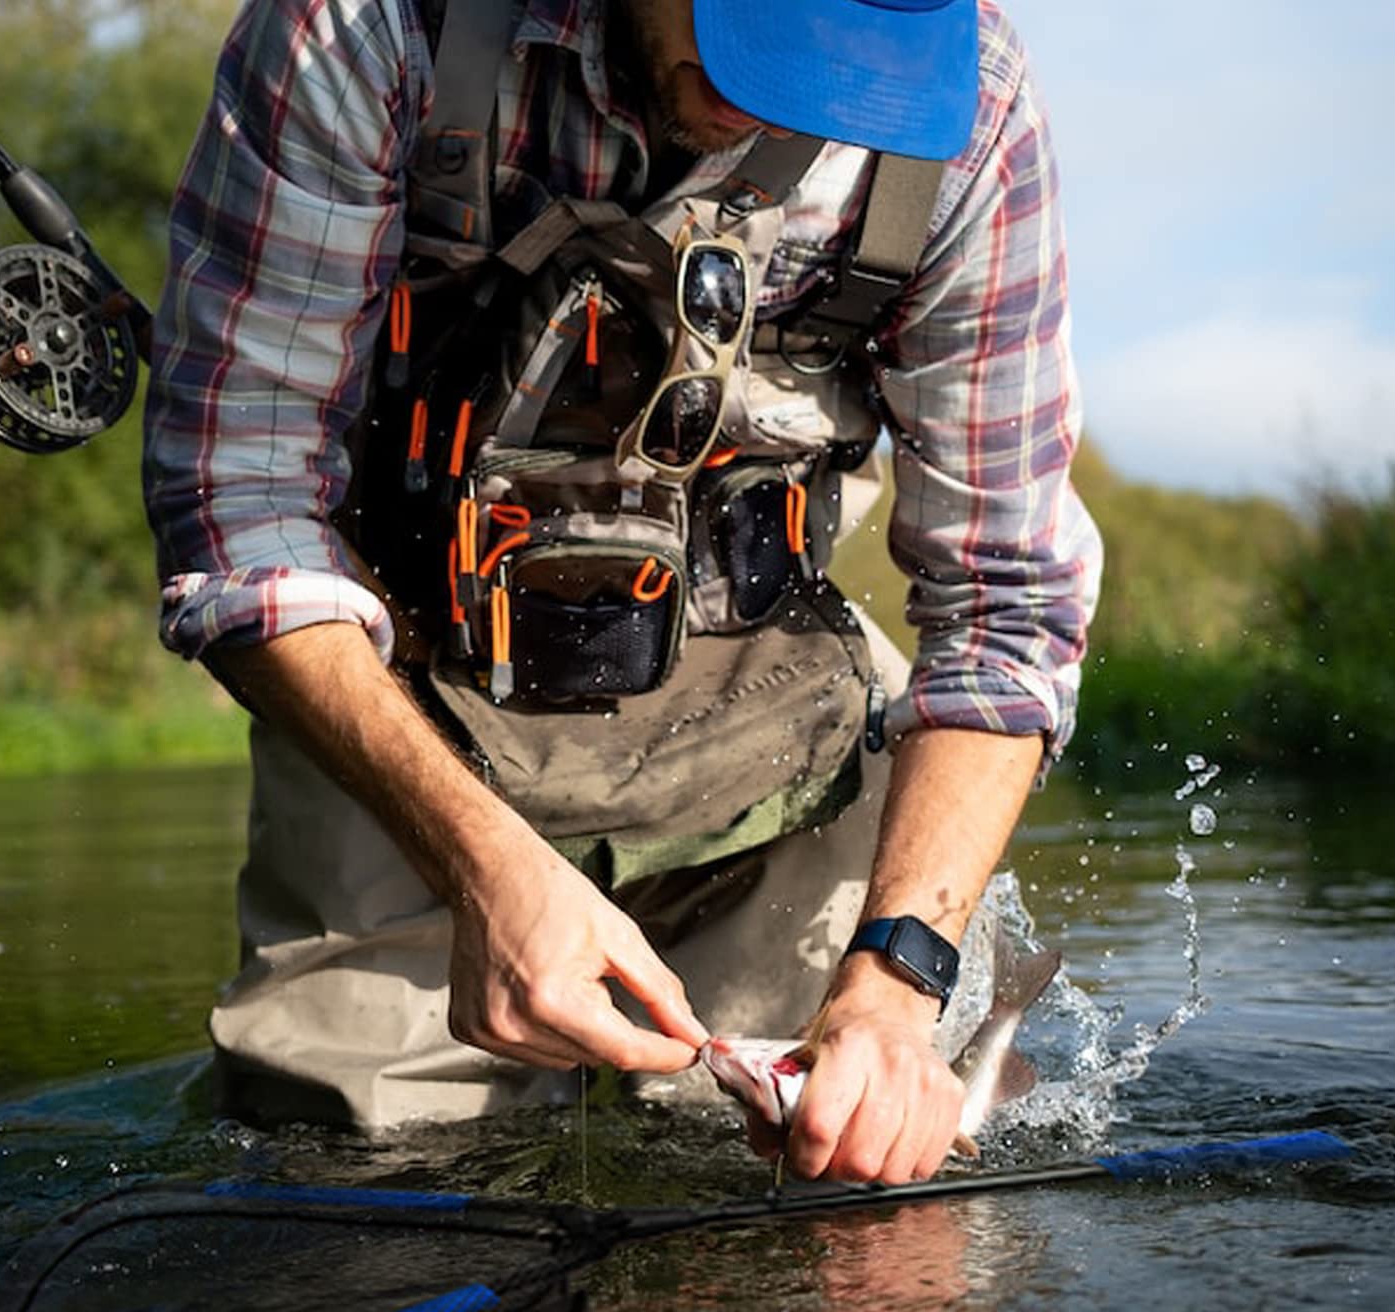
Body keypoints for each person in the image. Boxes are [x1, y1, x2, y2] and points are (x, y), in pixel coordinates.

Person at [142, 0, 1101, 1183]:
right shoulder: (365, 28)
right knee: (357, 1202)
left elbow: (1004, 602)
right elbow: (241, 501)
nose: (777, 107)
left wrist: (901, 974)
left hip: (780, 714)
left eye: (849, 73)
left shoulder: (973, 106)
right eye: (759, 42)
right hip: (395, 702)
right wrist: (479, 862)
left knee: (884, 1186)